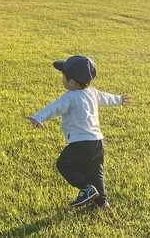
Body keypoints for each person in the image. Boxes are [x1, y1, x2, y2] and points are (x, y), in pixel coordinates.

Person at [27, 55, 131, 210]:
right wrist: (119, 99)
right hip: (97, 142)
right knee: (96, 172)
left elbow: (54, 108)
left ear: (72, 82)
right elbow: (107, 98)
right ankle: (102, 203)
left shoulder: (69, 97)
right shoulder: (93, 92)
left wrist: (38, 117)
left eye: (63, 76)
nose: (62, 79)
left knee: (63, 165)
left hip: (80, 143)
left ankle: (86, 189)